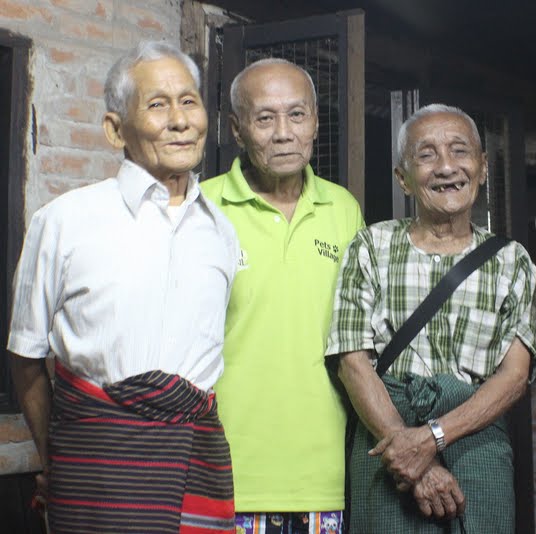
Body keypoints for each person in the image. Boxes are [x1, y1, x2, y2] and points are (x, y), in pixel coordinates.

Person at [8, 41, 238, 534]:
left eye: (189, 101)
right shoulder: (64, 221)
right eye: (158, 104)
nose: (180, 120)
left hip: (198, 466)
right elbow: (25, 357)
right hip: (92, 471)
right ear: (116, 130)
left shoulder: (221, 230)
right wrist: (59, 458)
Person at [325, 104, 536, 533]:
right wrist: (412, 454)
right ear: (403, 177)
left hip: (475, 441)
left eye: (459, 152)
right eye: (426, 155)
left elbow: (514, 377)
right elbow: (351, 360)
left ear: (481, 168)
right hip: (385, 439)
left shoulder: (512, 260)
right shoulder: (370, 246)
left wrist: (433, 437)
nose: (445, 167)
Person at [201, 58, 363, 534]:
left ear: (315, 121)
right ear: (236, 128)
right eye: (264, 117)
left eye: (297, 115)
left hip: (325, 472)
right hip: (227, 470)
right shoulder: (202, 209)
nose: (283, 133)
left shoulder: (344, 209)